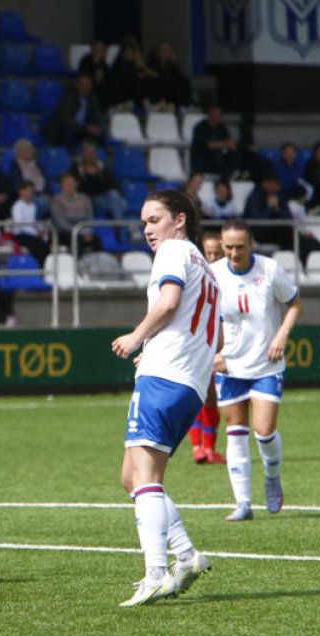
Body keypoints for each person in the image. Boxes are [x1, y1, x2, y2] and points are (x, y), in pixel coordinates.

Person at [110, 189, 216, 606]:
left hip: (165, 378)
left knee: (147, 480)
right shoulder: (204, 266)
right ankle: (187, 555)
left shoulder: (174, 252)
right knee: (131, 477)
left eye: (154, 219)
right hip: (188, 383)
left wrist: (138, 338)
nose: (148, 230)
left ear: (179, 219)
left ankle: (155, 572)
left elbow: (169, 302)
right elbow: (215, 333)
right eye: (144, 223)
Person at [212, 220, 302, 521]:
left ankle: (272, 477)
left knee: (263, 431)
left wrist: (282, 335)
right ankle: (243, 503)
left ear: (251, 244)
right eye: (228, 247)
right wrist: (215, 352)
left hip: (266, 363)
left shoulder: (269, 269)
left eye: (240, 246)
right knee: (235, 432)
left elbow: (294, 305)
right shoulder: (214, 275)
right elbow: (205, 319)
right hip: (229, 364)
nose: (234, 253)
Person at [188, 229, 227, 465]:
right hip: (201, 342)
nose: (212, 258)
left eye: (217, 253)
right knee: (202, 395)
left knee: (210, 396)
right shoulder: (197, 276)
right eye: (208, 253)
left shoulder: (227, 279)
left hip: (219, 341)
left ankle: (207, 448)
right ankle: (200, 448)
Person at [44, 72, 106, 150]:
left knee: (100, 133)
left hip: (82, 129)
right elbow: (66, 120)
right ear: (76, 85)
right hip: (62, 128)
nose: (85, 87)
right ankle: (70, 157)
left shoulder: (92, 99)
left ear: (91, 86)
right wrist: (86, 128)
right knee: (69, 132)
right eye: (82, 84)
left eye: (88, 84)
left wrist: (97, 127)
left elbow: (97, 116)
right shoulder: (68, 97)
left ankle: (100, 157)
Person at [72, 141, 125, 221]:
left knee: (115, 196)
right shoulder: (76, 170)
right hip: (89, 200)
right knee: (118, 203)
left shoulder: (102, 168)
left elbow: (113, 184)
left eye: (92, 153)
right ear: (83, 154)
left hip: (106, 198)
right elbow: (77, 187)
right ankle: (120, 225)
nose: (90, 155)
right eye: (88, 153)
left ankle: (118, 222)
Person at [50, 172, 99, 255]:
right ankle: (77, 265)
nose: (69, 186)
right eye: (66, 184)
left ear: (76, 184)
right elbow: (60, 222)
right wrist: (78, 231)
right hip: (65, 232)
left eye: (72, 183)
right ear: (61, 185)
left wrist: (87, 231)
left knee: (97, 240)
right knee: (77, 239)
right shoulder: (56, 200)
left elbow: (90, 217)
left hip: (83, 229)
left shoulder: (85, 198)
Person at [189, 105, 239, 179]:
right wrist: (224, 144)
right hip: (202, 160)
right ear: (209, 115)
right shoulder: (200, 127)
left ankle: (236, 172)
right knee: (216, 153)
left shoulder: (221, 127)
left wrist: (232, 145)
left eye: (218, 114)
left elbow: (228, 141)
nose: (217, 116)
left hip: (217, 160)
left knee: (237, 150)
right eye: (214, 114)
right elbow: (207, 145)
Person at [10, 180, 50, 265]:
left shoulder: (32, 206)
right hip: (21, 234)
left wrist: (40, 230)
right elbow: (20, 225)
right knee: (39, 246)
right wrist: (35, 233)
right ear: (21, 191)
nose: (29, 193)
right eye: (27, 190)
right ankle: (39, 267)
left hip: (31, 233)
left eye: (31, 191)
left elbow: (33, 221)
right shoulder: (17, 206)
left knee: (46, 243)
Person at [7, 138, 49, 216]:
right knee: (43, 204)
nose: (28, 152)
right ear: (18, 152)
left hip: (42, 194)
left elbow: (46, 180)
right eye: (25, 150)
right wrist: (34, 193)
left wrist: (47, 193)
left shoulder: (38, 165)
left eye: (29, 149)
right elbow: (17, 186)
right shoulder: (15, 167)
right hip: (27, 196)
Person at [147, 40, 193, 110]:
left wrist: (174, 64)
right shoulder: (151, 67)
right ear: (157, 52)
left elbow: (183, 82)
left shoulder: (174, 69)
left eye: (167, 50)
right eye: (162, 50)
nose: (165, 53)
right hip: (158, 102)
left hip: (175, 103)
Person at [78, 40, 113, 107]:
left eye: (102, 50)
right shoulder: (85, 62)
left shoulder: (105, 66)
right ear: (93, 50)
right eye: (98, 49)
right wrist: (94, 78)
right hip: (88, 94)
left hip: (102, 97)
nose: (99, 52)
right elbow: (83, 80)